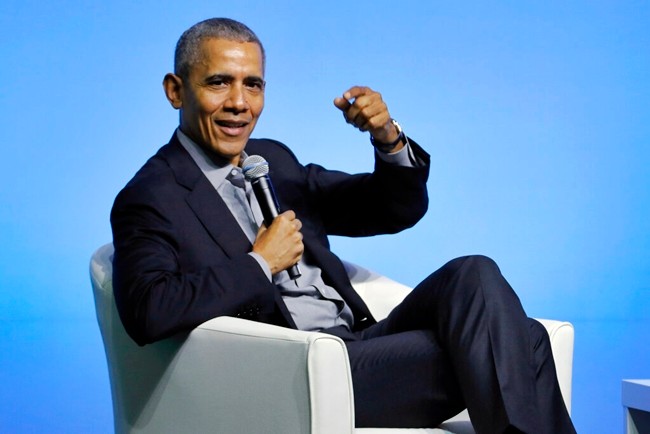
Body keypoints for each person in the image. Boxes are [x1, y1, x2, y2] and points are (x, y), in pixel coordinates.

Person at [110, 17, 576, 433]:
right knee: (521, 342)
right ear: (176, 90)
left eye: (253, 85)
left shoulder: (272, 161)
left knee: (474, 272)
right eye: (218, 83)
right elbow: (148, 309)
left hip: (359, 344)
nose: (239, 103)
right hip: (295, 368)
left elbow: (389, 210)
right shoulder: (152, 196)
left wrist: (387, 139)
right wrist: (260, 262)